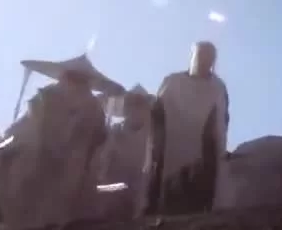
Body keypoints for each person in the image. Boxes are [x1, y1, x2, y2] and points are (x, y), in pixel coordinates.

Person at [0, 54, 117, 230]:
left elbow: (98, 143)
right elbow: (22, 131)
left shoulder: (92, 109)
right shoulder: (46, 98)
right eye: (73, 77)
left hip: (69, 174)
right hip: (36, 169)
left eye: (80, 79)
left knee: (52, 216)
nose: (76, 83)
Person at [143, 41, 230, 216]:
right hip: (170, 150)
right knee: (163, 196)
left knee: (194, 203)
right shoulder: (173, 82)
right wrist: (156, 146)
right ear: (194, 56)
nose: (205, 61)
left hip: (200, 155)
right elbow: (157, 115)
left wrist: (215, 150)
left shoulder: (217, 87)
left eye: (209, 57)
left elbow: (220, 122)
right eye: (201, 55)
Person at [97, 84, 153, 220]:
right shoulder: (114, 132)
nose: (135, 108)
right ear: (126, 107)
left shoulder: (152, 137)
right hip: (112, 193)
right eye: (131, 104)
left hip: (140, 196)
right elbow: (102, 164)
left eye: (140, 104)